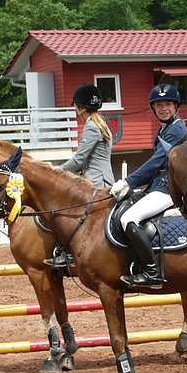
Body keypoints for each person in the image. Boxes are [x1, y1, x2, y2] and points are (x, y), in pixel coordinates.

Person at [109, 83, 187, 289]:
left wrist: (128, 182)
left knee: (129, 218)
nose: (164, 108)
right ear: (153, 108)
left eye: (168, 104)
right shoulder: (166, 128)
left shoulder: (176, 129)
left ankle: (152, 272)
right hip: (157, 186)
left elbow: (157, 162)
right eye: (159, 105)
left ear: (176, 106)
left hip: (168, 188)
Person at [44, 84, 115, 268]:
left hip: (95, 182)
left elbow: (78, 160)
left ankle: (66, 252)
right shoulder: (101, 123)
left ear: (80, 106)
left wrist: (55, 172)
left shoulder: (92, 126)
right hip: (103, 179)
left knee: (63, 212)